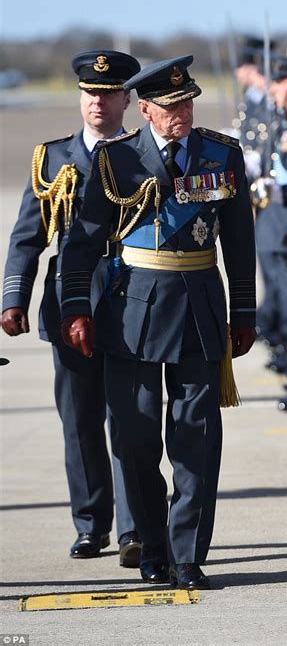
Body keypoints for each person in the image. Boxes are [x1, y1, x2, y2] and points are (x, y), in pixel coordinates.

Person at [59, 55, 257, 589]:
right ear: (144, 109)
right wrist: (75, 307)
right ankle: (150, 545)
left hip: (198, 309)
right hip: (132, 314)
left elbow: (240, 241)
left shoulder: (222, 154)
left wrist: (244, 311)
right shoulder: (116, 160)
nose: (181, 113)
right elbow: (81, 241)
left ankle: (189, 555)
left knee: (196, 439)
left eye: (187, 102)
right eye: (169, 106)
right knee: (136, 439)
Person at [1, 50, 142, 566]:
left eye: (108, 94)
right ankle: (90, 523)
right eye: (90, 94)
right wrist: (13, 297)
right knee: (79, 419)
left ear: (127, 98)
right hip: (67, 300)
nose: (98, 103)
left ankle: (134, 527)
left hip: (131, 298)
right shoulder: (53, 158)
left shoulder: (143, 154)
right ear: (80, 98)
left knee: (128, 416)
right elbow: (26, 238)